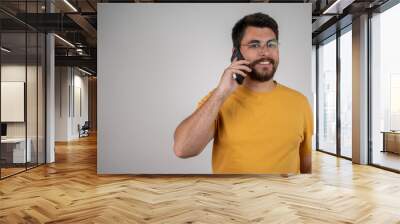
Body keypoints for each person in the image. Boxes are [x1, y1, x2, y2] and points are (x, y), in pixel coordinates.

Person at [173, 12, 313, 174]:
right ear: (235, 53)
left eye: (271, 44)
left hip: (283, 199)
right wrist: (221, 93)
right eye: (254, 45)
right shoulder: (218, 99)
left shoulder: (299, 102)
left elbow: (306, 164)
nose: (265, 52)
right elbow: (183, 149)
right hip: (233, 199)